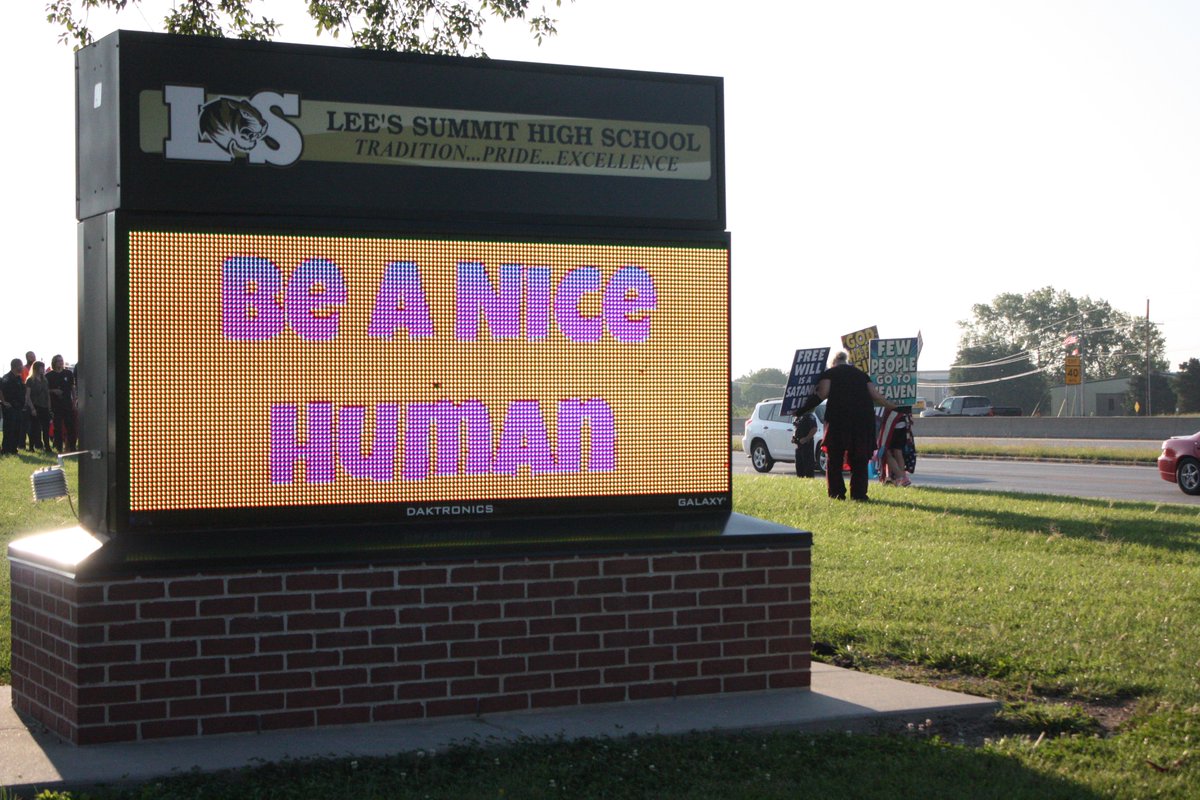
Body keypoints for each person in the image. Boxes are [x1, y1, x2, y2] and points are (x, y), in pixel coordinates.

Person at [799, 351, 896, 501]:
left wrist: (801, 409)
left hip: (839, 420)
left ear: (833, 363)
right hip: (863, 420)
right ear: (847, 361)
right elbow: (875, 395)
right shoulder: (861, 374)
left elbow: (823, 393)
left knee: (834, 458)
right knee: (859, 458)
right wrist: (893, 406)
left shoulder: (830, 373)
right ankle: (859, 494)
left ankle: (837, 493)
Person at [47, 355, 79, 452]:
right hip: (56, 405)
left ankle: (72, 446)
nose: (60, 363)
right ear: (54, 363)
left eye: (61, 361)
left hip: (67, 404)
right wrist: (53, 391)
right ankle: (59, 447)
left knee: (71, 426)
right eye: (58, 361)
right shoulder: (49, 375)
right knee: (57, 427)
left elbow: (72, 388)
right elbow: (46, 391)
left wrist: (74, 401)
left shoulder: (68, 373)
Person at [1, 358, 29, 456]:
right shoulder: (7, 377)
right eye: (20, 365)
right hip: (10, 408)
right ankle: (6, 449)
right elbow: (1, 390)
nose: (22, 367)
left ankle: (13, 449)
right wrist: (4, 402)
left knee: (17, 429)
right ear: (15, 366)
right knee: (9, 429)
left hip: (18, 408)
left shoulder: (18, 378)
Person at [26, 361, 53, 453]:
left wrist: (49, 407)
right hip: (35, 406)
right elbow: (28, 395)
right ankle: (31, 447)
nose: (42, 369)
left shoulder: (45, 380)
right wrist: (32, 408)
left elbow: (47, 394)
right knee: (34, 428)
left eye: (43, 367)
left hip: (44, 406)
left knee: (46, 428)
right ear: (36, 368)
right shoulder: (30, 380)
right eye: (41, 367)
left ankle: (47, 446)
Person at [792, 409, 818, 478]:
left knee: (808, 467)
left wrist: (806, 438)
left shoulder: (809, 416)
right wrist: (794, 437)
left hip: (807, 446)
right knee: (799, 467)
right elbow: (796, 427)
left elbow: (814, 428)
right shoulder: (798, 417)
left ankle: (809, 481)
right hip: (798, 445)